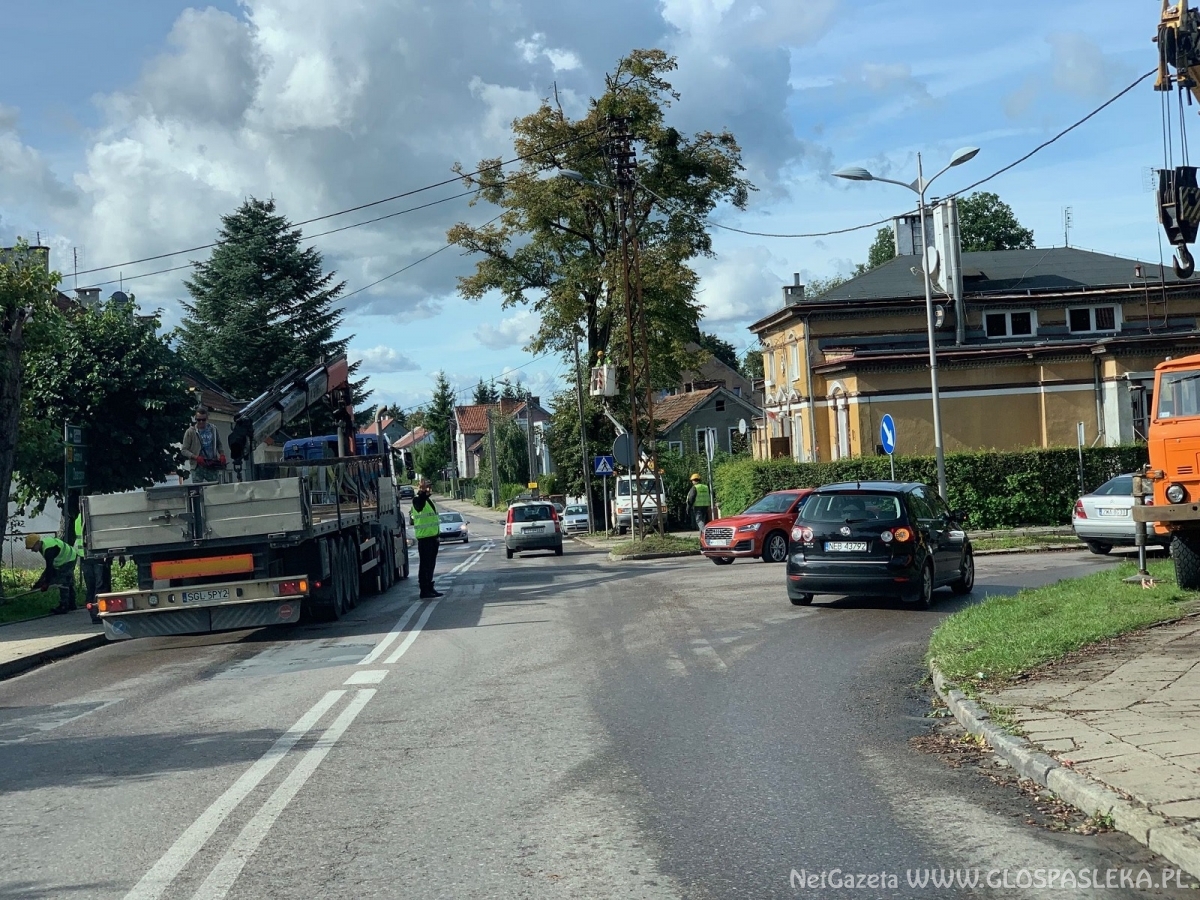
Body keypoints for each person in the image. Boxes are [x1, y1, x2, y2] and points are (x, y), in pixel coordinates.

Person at [27, 532, 79, 615]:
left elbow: (50, 568)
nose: (32, 550)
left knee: (63, 582)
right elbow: (49, 569)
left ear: (37, 543)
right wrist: (39, 584)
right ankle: (72, 604)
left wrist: (46, 583)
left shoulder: (49, 550)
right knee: (68, 581)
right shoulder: (44, 546)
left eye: (32, 548)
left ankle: (64, 606)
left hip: (69, 559)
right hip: (67, 557)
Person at [410, 479, 443, 599]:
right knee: (425, 565)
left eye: (429, 487)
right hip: (425, 539)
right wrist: (422, 493)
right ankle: (424, 590)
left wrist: (437, 536)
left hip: (433, 538)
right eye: (427, 487)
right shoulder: (417, 500)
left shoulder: (430, 501)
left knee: (430, 565)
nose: (429, 489)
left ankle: (429, 586)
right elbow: (419, 506)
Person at [181, 407, 227, 483]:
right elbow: (184, 450)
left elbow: (219, 444)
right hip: (197, 466)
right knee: (197, 488)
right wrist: (196, 457)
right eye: (199, 420)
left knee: (214, 486)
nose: (201, 422)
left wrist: (222, 454)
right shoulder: (190, 431)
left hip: (211, 463)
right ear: (195, 419)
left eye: (203, 419)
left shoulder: (213, 429)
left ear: (207, 418)